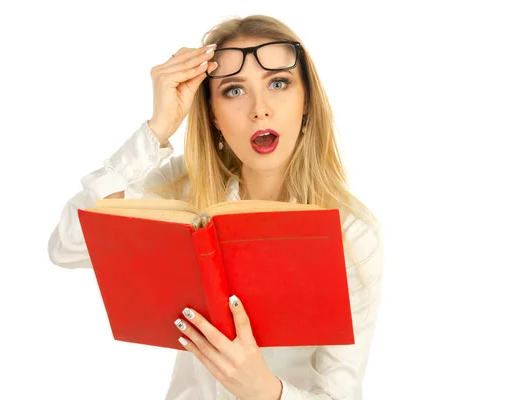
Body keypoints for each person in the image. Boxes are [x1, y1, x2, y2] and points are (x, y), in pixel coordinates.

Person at [48, 14, 383, 400]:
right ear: (212, 114)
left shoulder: (352, 233)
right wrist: (157, 128)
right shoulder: (184, 191)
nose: (260, 109)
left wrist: (265, 390)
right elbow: (67, 247)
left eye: (278, 83)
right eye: (234, 91)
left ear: (306, 100)